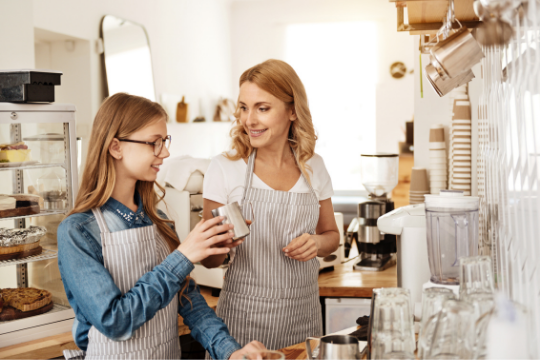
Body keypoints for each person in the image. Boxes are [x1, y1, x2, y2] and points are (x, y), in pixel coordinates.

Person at [57, 93, 266, 360]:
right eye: (154, 143)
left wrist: (230, 352)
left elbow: (187, 300)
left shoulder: (156, 218)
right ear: (115, 147)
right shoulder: (77, 231)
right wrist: (183, 257)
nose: (165, 153)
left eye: (164, 141)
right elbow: (115, 321)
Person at [202, 59, 340, 351]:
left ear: (292, 110)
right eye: (243, 107)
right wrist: (222, 243)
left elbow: (332, 236)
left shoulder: (314, 166)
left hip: (303, 317)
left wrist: (316, 243)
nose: (249, 120)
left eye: (262, 108)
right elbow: (208, 260)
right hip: (243, 323)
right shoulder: (225, 168)